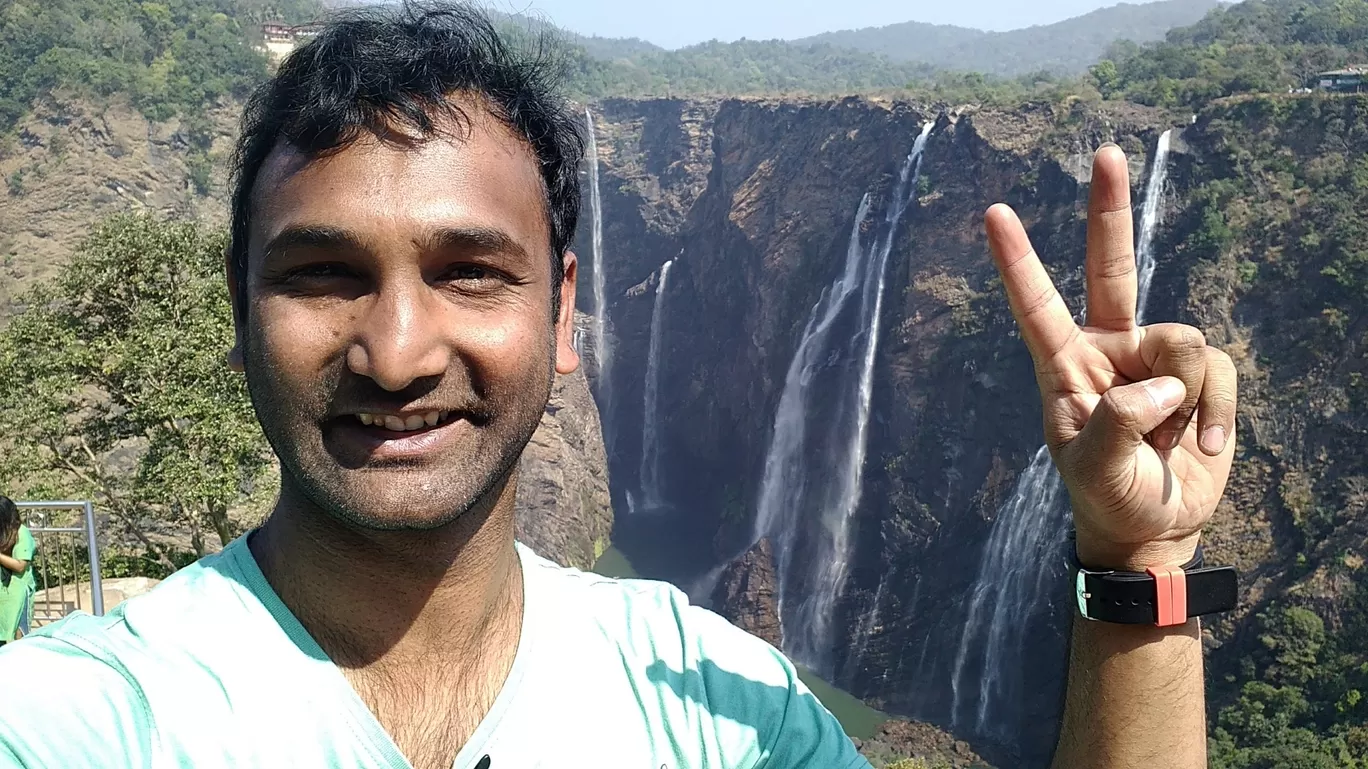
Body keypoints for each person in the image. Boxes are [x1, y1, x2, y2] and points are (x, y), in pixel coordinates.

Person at [0, 3, 1238, 768]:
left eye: (470, 271)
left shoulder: (724, 707)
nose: (398, 349)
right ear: (238, 313)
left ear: (566, 311)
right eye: (322, 275)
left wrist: (1139, 565)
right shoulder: (85, 717)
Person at [0, 496, 36, 647]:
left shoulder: (22, 533)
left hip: (19, 591)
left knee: (19, 635)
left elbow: (20, 565)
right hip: (2, 591)